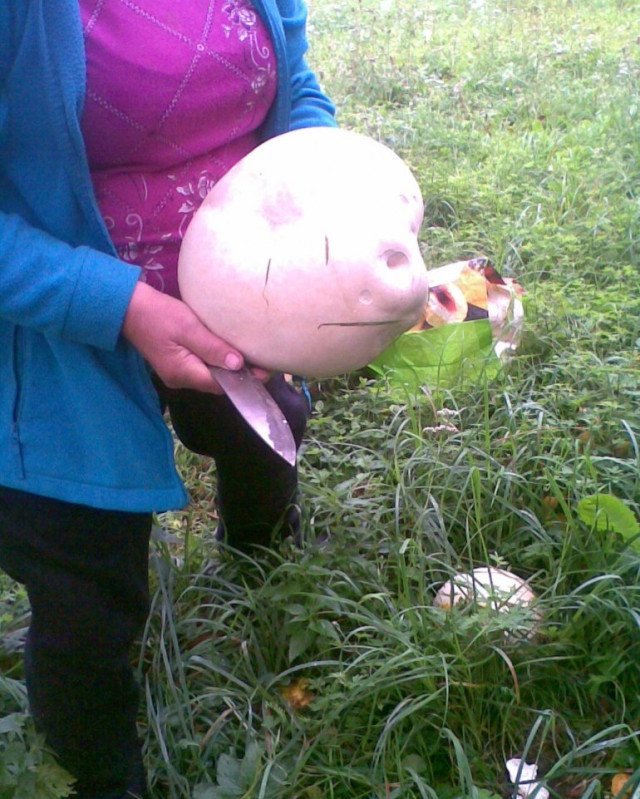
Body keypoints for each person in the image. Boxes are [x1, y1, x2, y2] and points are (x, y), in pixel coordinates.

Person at [0, 1, 336, 796]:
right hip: (50, 339)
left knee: (272, 427)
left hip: (243, 309)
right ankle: (99, 775)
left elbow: (296, 89)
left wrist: (331, 201)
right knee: (86, 591)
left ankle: (262, 563)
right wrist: (121, 306)